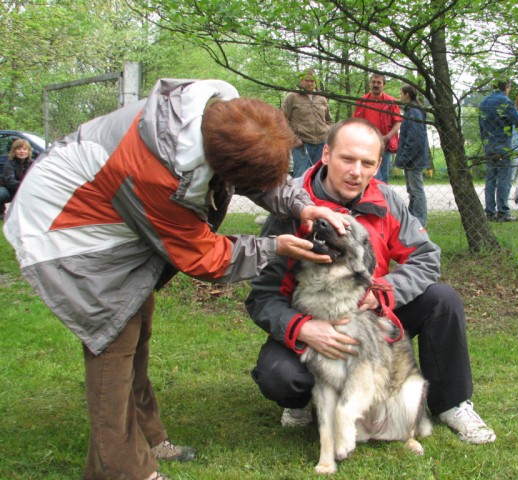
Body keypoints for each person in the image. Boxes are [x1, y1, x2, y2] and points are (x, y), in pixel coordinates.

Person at [3, 78, 348, 480]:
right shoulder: (155, 172)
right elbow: (204, 256)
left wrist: (302, 206)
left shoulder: (223, 122)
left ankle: (149, 437)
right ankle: (121, 470)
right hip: (66, 231)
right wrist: (274, 247)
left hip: (113, 216)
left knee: (138, 326)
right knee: (113, 339)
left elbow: (262, 181)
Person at [246, 118, 497, 446]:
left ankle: (451, 403)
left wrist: (384, 293)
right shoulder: (290, 205)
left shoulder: (387, 200)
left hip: (371, 319)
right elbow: (262, 296)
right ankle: (301, 403)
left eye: (367, 163)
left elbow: (426, 257)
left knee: (442, 299)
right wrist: (301, 328)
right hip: (313, 320)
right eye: (347, 159)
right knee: (280, 376)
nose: (356, 172)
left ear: (379, 164)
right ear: (325, 155)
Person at [479, 78, 518, 222]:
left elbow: (480, 125)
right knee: (504, 178)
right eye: (509, 87)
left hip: (488, 143)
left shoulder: (484, 102)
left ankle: (490, 211)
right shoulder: (505, 101)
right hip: (503, 143)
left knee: (491, 178)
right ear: (506, 86)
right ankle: (503, 212)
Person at [282, 69, 333, 178]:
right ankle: (298, 195)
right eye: (307, 80)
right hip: (302, 144)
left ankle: (315, 195)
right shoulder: (292, 97)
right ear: (301, 80)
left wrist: (328, 134)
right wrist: (294, 139)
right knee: (301, 175)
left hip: (321, 143)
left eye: (312, 81)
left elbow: (329, 120)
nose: (310, 83)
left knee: (320, 175)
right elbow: (283, 120)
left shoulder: (322, 98)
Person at [353, 73, 402, 183]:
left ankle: (381, 197)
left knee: (383, 176)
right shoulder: (362, 100)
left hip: (384, 144)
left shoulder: (391, 102)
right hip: (365, 145)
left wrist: (387, 137)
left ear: (384, 85)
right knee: (366, 173)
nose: (376, 85)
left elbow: (397, 123)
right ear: (370, 83)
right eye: (373, 82)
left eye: (379, 83)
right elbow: (356, 122)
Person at [396, 84, 430, 226]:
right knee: (412, 190)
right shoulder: (411, 110)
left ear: (407, 94)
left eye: (401, 93)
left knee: (416, 190)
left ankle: (420, 220)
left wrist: (405, 157)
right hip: (411, 158)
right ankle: (413, 218)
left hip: (414, 159)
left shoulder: (414, 112)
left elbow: (414, 138)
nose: (399, 96)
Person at [0, 138, 33, 220]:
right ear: (14, 151)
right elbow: (10, 182)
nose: (22, 151)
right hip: (11, 191)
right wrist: (26, 185)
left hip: (29, 190)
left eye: (24, 149)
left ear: (28, 151)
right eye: (19, 149)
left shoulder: (33, 164)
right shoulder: (9, 164)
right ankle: (1, 212)